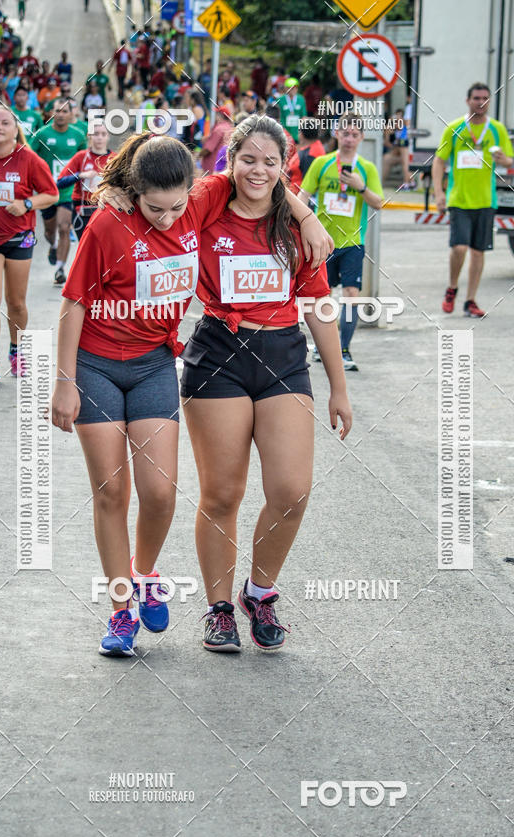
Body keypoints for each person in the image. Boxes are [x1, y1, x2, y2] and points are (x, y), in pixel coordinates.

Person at [51, 130, 332, 657]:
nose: (166, 217)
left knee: (160, 495)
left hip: (156, 362)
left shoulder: (195, 211)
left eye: (176, 205)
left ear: (192, 193)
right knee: (112, 491)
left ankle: (146, 574)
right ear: (134, 193)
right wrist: (64, 382)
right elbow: (73, 304)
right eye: (155, 207)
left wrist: (306, 212)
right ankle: (120, 610)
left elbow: (254, 172)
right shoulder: (111, 223)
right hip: (95, 365)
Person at [180, 114, 351, 653]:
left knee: (292, 491)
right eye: (247, 159)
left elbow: (319, 305)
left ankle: (260, 591)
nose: (258, 170)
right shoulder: (209, 203)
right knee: (223, 492)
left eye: (270, 162)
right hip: (219, 352)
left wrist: (339, 388)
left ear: (284, 168)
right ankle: (219, 609)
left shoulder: (295, 228)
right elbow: (166, 211)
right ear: (231, 161)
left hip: (282, 353)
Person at [0, 105, 58, 382]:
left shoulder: (28, 159)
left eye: (4, 123)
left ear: (15, 129)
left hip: (19, 237)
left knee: (16, 302)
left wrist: (26, 203)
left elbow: (50, 194)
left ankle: (16, 352)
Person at [299, 114, 384, 372]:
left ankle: (344, 349)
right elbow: (304, 195)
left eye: (354, 134)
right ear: (336, 133)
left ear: (361, 138)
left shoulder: (366, 169)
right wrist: (299, 223)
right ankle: (321, 346)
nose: (349, 139)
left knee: (350, 295)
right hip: (323, 242)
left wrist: (360, 187)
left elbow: (379, 202)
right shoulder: (322, 164)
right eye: (345, 133)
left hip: (353, 242)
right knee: (321, 298)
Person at [432, 82, 514, 318]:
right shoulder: (455, 128)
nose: (481, 102)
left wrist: (502, 158)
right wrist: (439, 193)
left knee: (478, 252)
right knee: (459, 248)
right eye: (477, 98)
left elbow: (509, 161)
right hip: (459, 199)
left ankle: (470, 300)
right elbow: (439, 160)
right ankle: (452, 287)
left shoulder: (496, 129)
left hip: (486, 200)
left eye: (485, 98)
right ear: (468, 101)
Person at [31, 97, 86, 284]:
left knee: (64, 228)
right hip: (46, 191)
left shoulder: (78, 135)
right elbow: (29, 158)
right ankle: (53, 245)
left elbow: (85, 160)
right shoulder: (41, 135)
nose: (61, 114)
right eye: (57, 110)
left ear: (71, 114)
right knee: (49, 231)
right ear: (51, 113)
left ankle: (60, 269)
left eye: (64, 111)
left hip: (67, 192)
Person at [56, 121, 114, 240]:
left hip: (106, 208)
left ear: (108, 137)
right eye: (96, 134)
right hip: (82, 209)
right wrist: (80, 175)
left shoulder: (114, 158)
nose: (99, 138)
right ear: (89, 136)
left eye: (103, 134)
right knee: (86, 247)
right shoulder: (81, 157)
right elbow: (60, 182)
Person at [288, 117, 326, 192]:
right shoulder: (313, 148)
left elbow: (308, 185)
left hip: (297, 198)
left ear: (301, 134)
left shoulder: (310, 154)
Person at [382, 108, 415, 190]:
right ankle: (411, 182)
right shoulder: (394, 130)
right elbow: (386, 142)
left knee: (405, 162)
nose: (397, 122)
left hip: (405, 147)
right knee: (388, 159)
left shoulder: (404, 129)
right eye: (396, 120)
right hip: (398, 150)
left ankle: (407, 183)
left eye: (399, 118)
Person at [199, 105, 233, 174]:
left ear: (221, 116)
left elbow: (208, 149)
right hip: (223, 168)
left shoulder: (219, 129)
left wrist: (198, 156)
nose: (216, 116)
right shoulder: (230, 128)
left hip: (212, 168)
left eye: (217, 114)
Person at [276, 77, 307, 143]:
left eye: (295, 87)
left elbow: (304, 116)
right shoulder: (280, 100)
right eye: (291, 88)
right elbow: (277, 117)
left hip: (297, 133)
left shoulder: (301, 99)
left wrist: (302, 131)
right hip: (284, 133)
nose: (293, 90)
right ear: (286, 88)